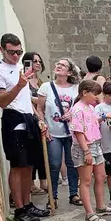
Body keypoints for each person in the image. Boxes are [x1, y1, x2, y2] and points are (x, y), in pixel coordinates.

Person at [0, 33, 49, 221]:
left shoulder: (21, 68)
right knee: (17, 165)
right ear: (2, 50)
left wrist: (38, 118)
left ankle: (28, 203)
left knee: (29, 165)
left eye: (19, 52)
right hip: (13, 118)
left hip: (28, 118)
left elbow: (26, 99)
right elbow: (2, 101)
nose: (16, 56)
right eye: (11, 52)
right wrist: (19, 84)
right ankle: (19, 208)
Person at [69, 80, 111, 221]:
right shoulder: (78, 109)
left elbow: (91, 123)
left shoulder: (89, 107)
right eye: (95, 94)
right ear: (84, 93)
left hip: (95, 144)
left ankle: (101, 206)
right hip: (84, 147)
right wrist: (86, 151)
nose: (96, 97)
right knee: (85, 180)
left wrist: (104, 117)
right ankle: (89, 213)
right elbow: (78, 132)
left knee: (101, 176)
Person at [36, 58, 83, 208]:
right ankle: (53, 196)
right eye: (58, 64)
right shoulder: (46, 87)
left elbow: (80, 107)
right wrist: (42, 123)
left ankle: (74, 194)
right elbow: (39, 109)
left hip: (71, 132)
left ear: (69, 72)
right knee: (54, 163)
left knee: (72, 164)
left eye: (63, 65)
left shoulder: (76, 88)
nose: (58, 66)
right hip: (53, 132)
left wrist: (72, 114)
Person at [22, 52, 48, 195]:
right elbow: (28, 100)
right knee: (32, 152)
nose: (38, 63)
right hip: (31, 119)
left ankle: (43, 181)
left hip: (42, 118)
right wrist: (38, 115)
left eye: (39, 61)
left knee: (41, 152)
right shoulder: (25, 80)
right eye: (34, 61)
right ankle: (32, 184)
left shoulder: (41, 82)